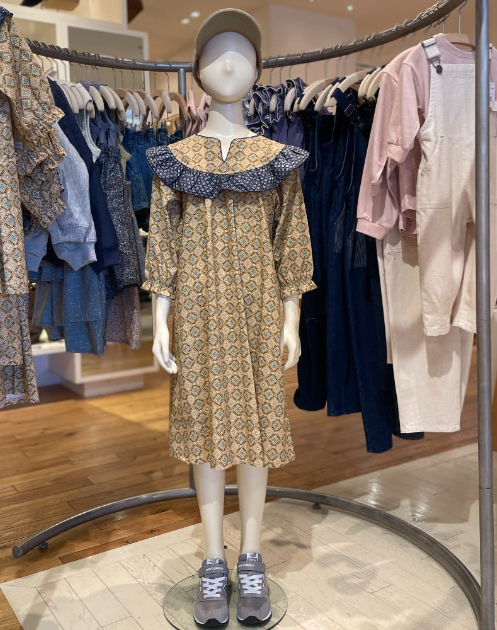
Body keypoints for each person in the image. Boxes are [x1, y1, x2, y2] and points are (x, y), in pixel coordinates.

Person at [143, 9, 315, 626]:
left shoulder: (278, 160)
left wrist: (291, 320)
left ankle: (251, 556)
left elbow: (291, 243)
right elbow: (163, 246)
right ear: (196, 71)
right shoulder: (174, 161)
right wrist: (161, 320)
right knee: (207, 435)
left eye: (242, 51)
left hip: (257, 314)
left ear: (260, 69)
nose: (230, 62)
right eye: (216, 52)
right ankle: (213, 560)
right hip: (198, 315)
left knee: (256, 435)